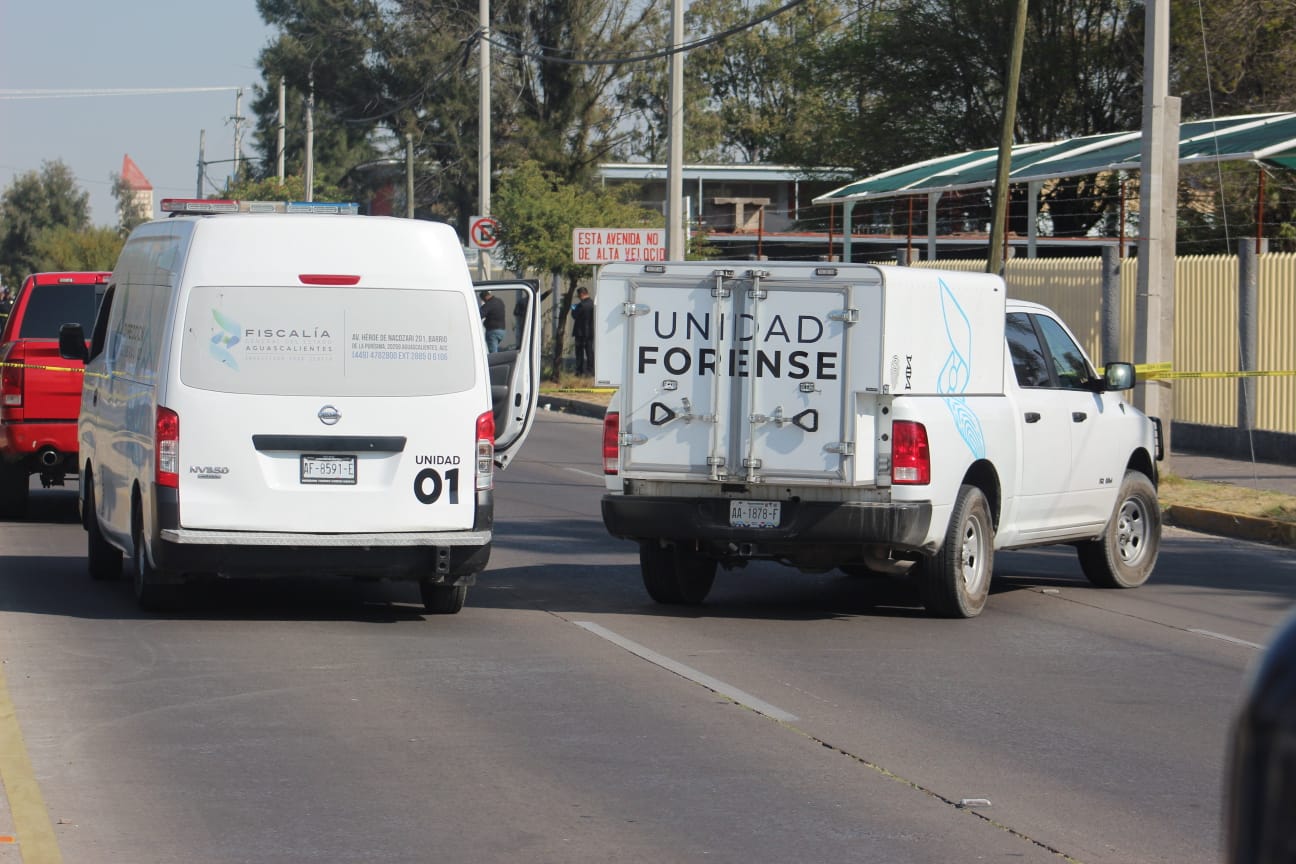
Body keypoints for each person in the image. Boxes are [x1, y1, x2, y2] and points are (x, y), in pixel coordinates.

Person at [570, 286, 594, 376]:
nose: (579, 298)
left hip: (580, 333)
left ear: (581, 294)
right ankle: (590, 371)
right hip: (590, 332)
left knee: (579, 353)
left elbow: (575, 316)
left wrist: (573, 309)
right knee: (589, 352)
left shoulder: (580, 305)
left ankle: (579, 371)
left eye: (579, 296)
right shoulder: (592, 304)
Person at [479, 289, 507, 353]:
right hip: (502, 330)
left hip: (493, 331)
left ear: (485, 297)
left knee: (493, 353)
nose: (483, 301)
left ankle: (495, 362)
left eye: (483, 299)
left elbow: (479, 314)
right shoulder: (499, 301)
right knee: (495, 349)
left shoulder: (489, 304)